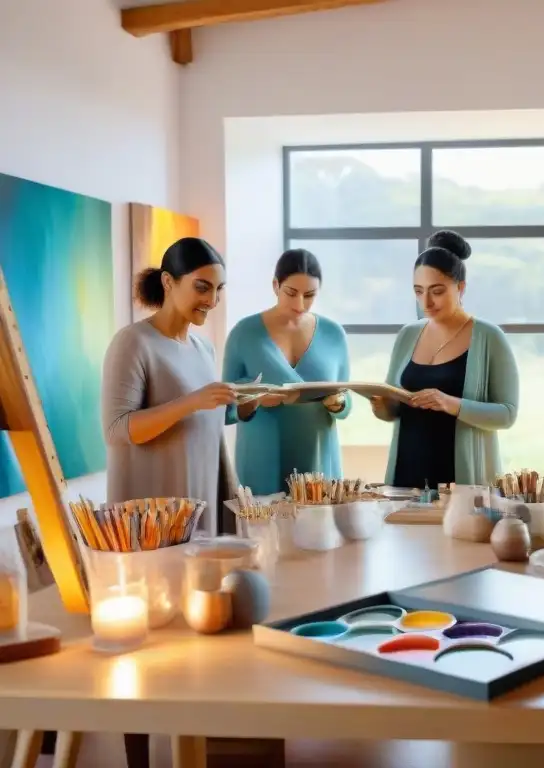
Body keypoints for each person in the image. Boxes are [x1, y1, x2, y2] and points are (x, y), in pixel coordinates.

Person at [100, 236, 238, 768]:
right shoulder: (132, 343)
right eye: (202, 287)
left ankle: (191, 748)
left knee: (192, 643)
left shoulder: (202, 347)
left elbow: (204, 422)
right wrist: (192, 401)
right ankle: (138, 757)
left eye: (219, 289)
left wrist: (244, 404)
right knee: (146, 649)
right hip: (146, 518)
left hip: (199, 511)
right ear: (169, 283)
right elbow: (118, 430)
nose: (211, 299)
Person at [370, 230, 519, 488]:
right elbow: (393, 410)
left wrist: (450, 403)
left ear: (461, 287)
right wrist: (380, 405)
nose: (426, 301)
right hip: (406, 477)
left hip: (461, 482)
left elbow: (507, 414)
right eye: (418, 291)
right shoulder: (407, 335)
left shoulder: (488, 337)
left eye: (436, 291)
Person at [222, 248, 351, 495]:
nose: (299, 303)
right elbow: (225, 410)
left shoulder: (334, 334)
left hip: (318, 461)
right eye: (291, 293)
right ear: (275, 285)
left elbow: (347, 405)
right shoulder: (244, 333)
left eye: (309, 295)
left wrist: (338, 403)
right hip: (261, 459)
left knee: (317, 529)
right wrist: (253, 400)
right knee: (262, 531)